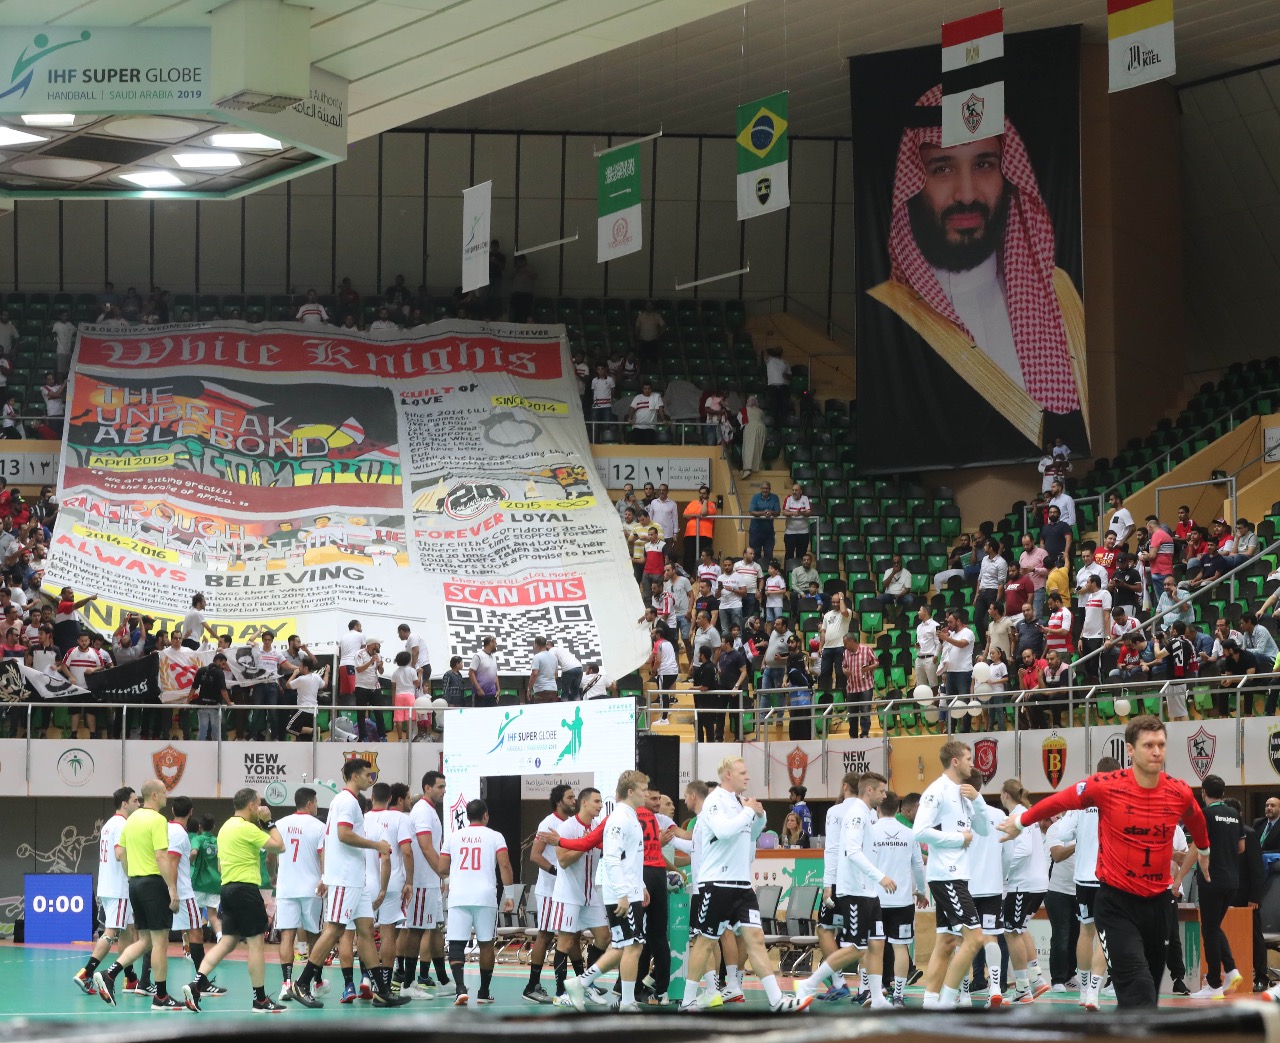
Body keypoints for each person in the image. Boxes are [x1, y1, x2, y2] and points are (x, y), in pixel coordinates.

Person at [868, 84, 1085, 447]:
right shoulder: (886, 311)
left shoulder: (1060, 295)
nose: (966, 194)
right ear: (913, 183)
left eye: (984, 164)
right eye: (942, 168)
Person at [998, 716, 1211, 1008]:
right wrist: (1021, 821)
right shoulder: (1105, 786)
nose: (1156, 751)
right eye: (1148, 745)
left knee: (1147, 987)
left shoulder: (1178, 791)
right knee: (1136, 982)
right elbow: (1059, 801)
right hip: (1117, 902)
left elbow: (1197, 821)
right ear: (1131, 750)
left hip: (1158, 903)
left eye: (1161, 744)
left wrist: (1206, 852)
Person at [676, 758, 811, 1013]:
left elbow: (752, 831)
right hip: (716, 884)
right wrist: (749, 811)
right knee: (705, 942)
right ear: (728, 774)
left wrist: (760, 815)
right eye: (743, 772)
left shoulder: (740, 802)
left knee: (756, 940)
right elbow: (724, 831)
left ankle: (777, 1001)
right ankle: (687, 1001)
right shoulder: (714, 801)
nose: (748, 777)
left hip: (742, 885)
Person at [289, 759, 408, 1008]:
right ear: (355, 776)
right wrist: (377, 845)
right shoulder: (347, 801)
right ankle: (301, 984)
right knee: (333, 930)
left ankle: (381, 991)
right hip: (345, 878)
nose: (371, 778)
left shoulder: (347, 802)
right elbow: (343, 835)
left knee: (365, 931)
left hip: (357, 879)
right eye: (368, 774)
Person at [180, 787, 286, 1013]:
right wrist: (269, 822)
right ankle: (260, 1000)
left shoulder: (226, 827)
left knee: (228, 941)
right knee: (256, 944)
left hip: (227, 889)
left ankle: (196, 984)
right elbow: (279, 845)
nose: (261, 808)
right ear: (251, 806)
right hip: (246, 889)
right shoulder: (247, 828)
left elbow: (219, 865)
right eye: (258, 804)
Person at [794, 771, 894, 1008]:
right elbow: (852, 850)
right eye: (881, 790)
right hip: (856, 890)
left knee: (877, 942)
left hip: (869, 891)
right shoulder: (855, 815)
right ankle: (808, 984)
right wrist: (880, 877)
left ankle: (877, 998)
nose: (884, 794)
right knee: (857, 948)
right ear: (868, 790)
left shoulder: (870, 814)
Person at [562, 770, 650, 1012]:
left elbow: (629, 860)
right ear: (630, 792)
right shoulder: (619, 819)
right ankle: (627, 1002)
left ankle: (580, 983)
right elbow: (611, 859)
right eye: (643, 789)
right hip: (622, 895)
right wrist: (623, 893)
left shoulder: (631, 817)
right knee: (633, 946)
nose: (647, 794)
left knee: (622, 947)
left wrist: (640, 886)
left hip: (630, 891)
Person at [913, 741, 990, 1009]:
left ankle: (930, 1003)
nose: (973, 763)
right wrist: (957, 839)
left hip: (957, 875)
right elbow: (919, 831)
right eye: (969, 758)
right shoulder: (937, 791)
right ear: (955, 761)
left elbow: (983, 830)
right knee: (975, 938)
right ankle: (947, 1001)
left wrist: (978, 800)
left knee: (946, 942)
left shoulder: (964, 793)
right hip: (946, 875)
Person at [93, 780, 180, 1010]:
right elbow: (161, 856)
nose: (166, 798)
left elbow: (120, 853)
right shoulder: (158, 820)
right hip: (153, 884)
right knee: (160, 942)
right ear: (154, 795)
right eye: (163, 793)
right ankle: (161, 997)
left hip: (135, 885)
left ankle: (110, 975)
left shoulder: (130, 821)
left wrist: (131, 876)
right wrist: (172, 888)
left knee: (146, 940)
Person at [1053, 755, 1123, 1011]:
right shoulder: (1121, 798)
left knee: (1086, 932)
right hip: (1109, 878)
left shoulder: (1082, 801)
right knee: (1107, 935)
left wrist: (1081, 836)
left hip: (1083, 877)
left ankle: (1083, 990)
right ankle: (1094, 990)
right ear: (1118, 774)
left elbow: (1060, 833)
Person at [1177, 775, 1245, 998]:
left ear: (1204, 792)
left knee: (1209, 929)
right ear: (1223, 793)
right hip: (1232, 882)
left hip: (1211, 880)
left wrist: (1178, 878)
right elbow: (1241, 847)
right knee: (1214, 926)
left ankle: (1214, 984)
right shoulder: (1234, 814)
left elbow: (1196, 848)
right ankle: (1232, 969)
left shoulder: (1205, 814)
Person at [74, 788, 141, 997]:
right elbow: (120, 854)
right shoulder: (122, 824)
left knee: (128, 930)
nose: (138, 804)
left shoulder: (109, 824)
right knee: (111, 931)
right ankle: (87, 972)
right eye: (134, 800)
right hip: (119, 886)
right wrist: (133, 877)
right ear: (124, 804)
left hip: (110, 885)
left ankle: (130, 979)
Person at [999, 780, 1052, 1002]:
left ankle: (1022, 987)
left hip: (1023, 883)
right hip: (1036, 883)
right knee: (1019, 929)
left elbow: (1023, 849)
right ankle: (1036, 979)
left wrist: (1004, 872)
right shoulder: (1026, 814)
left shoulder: (1018, 817)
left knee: (1011, 932)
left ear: (1005, 795)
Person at [399, 771, 450, 997]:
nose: (443, 791)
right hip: (421, 881)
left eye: (444, 787)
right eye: (440, 787)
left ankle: (443, 980)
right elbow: (426, 846)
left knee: (437, 929)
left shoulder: (430, 810)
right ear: (427, 788)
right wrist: (443, 873)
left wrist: (439, 877)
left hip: (431, 881)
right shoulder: (421, 811)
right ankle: (408, 984)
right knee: (416, 931)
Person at [273, 787, 327, 1003]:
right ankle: (314, 983)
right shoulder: (320, 827)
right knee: (315, 935)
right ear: (309, 803)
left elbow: (270, 854)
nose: (316, 805)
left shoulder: (279, 824)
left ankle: (286, 985)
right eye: (315, 802)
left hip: (286, 887)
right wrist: (324, 877)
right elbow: (323, 855)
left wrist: (273, 876)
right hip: (311, 888)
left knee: (287, 935)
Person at [363, 783, 415, 998]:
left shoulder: (362, 818)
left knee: (364, 933)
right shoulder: (400, 818)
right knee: (388, 935)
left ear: (372, 796)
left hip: (364, 882)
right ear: (392, 797)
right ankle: (383, 985)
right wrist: (409, 881)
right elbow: (407, 852)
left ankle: (366, 979)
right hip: (391, 882)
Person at [527, 784, 577, 1004]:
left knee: (571, 935)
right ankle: (531, 985)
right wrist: (557, 871)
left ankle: (587, 983)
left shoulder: (571, 824)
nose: (574, 800)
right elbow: (535, 856)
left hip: (566, 891)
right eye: (570, 797)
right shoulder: (548, 823)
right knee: (545, 934)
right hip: (549, 890)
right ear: (559, 801)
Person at [748, 482, 781, 565]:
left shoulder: (775, 497)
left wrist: (771, 512)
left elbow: (778, 512)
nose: (765, 490)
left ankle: (768, 576)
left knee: (769, 556)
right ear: (761, 489)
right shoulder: (755, 497)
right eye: (763, 488)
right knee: (755, 555)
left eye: (767, 488)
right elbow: (751, 511)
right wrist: (763, 513)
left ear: (770, 489)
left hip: (768, 533)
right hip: (755, 532)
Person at [782, 483, 812, 561]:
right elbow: (784, 512)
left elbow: (809, 512)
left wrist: (801, 513)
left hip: (803, 533)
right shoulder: (788, 498)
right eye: (793, 490)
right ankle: (787, 572)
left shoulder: (805, 499)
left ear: (800, 491)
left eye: (796, 490)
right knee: (789, 555)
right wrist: (793, 513)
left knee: (801, 556)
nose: (794, 492)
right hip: (790, 533)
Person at [468, 635, 500, 708]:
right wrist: (478, 688)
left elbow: (495, 674)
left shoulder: (493, 657)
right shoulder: (478, 656)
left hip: (492, 694)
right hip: (480, 694)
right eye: (495, 643)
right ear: (491, 643)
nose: (496, 645)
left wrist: (498, 689)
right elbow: (471, 673)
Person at [740, 396, 767, 478]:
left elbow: (742, 421)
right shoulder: (761, 411)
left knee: (749, 448)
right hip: (761, 429)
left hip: (751, 429)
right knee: (758, 448)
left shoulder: (744, 410)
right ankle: (757, 466)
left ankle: (747, 469)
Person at [529, 635, 560, 704]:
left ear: (536, 644)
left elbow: (534, 674)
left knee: (541, 712)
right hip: (553, 689)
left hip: (541, 689)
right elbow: (556, 675)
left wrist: (529, 689)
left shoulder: (537, 657)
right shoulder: (554, 657)